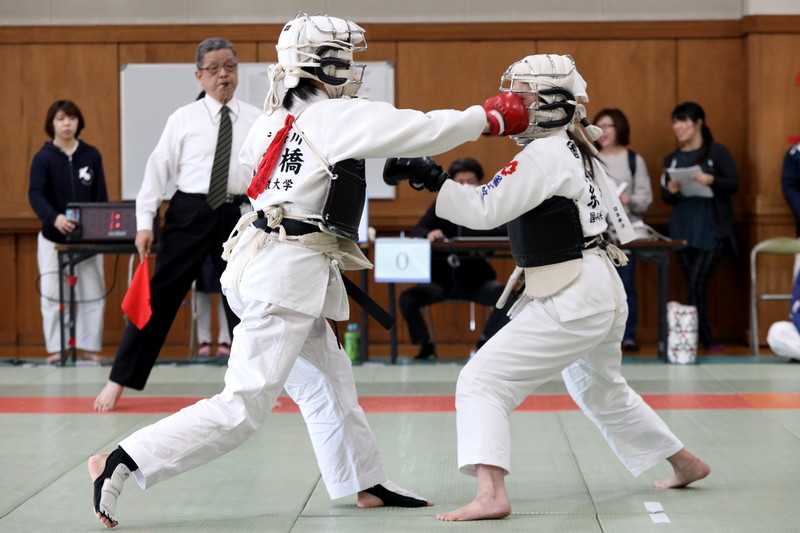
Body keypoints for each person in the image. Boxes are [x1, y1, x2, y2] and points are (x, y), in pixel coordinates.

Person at [88, 13, 530, 528]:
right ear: (321, 64)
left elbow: (261, 178)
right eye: (344, 57)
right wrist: (492, 117)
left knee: (331, 381)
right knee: (243, 406)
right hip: (282, 278)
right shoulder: (335, 116)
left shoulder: (272, 119)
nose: (351, 66)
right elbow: (426, 126)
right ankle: (121, 460)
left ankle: (362, 481)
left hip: (264, 263)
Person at [386, 54, 710, 522]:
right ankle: (685, 461)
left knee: (482, 380)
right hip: (599, 287)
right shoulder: (579, 146)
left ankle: (491, 493)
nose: (512, 104)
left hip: (575, 291)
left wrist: (433, 177)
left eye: (523, 96)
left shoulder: (546, 153)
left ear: (552, 102)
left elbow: (482, 211)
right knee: (602, 390)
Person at [93, 37, 262, 411]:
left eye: (230, 67)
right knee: (160, 296)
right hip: (189, 211)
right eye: (215, 69)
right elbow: (156, 172)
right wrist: (144, 223)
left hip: (236, 214)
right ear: (199, 75)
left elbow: (263, 175)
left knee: (244, 300)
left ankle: (252, 387)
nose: (223, 75)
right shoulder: (183, 119)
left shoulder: (255, 119)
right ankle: (118, 380)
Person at [399, 157, 509, 359]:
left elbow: (505, 233)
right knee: (408, 299)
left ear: (480, 183)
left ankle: (483, 345)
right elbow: (419, 229)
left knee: (508, 298)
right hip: (442, 282)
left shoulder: (489, 209)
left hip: (477, 282)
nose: (466, 186)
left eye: (471, 181)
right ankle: (426, 345)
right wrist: (428, 235)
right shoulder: (442, 206)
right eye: (460, 183)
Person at [28, 100, 108, 364]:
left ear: (78, 122)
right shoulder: (43, 158)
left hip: (88, 242)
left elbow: (100, 197)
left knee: (92, 293)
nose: (66, 124)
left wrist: (99, 231)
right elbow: (36, 195)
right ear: (52, 123)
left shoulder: (91, 155)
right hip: (53, 240)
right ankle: (56, 348)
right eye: (61, 118)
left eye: (71, 118)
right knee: (52, 293)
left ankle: (89, 347)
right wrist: (54, 218)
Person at [661, 101, 739, 354]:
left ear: (698, 123)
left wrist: (712, 180)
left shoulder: (718, 152)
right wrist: (670, 190)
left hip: (712, 228)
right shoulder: (672, 159)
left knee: (697, 284)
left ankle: (701, 338)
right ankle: (701, 339)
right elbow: (666, 198)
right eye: (675, 122)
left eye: (683, 121)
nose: (678, 127)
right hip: (682, 229)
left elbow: (733, 184)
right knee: (692, 284)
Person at [593, 108, 653, 352]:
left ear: (620, 128)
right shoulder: (590, 156)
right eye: (599, 126)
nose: (603, 131)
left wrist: (629, 199)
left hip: (625, 234)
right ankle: (599, 338)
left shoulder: (632, 160)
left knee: (626, 286)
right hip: (596, 233)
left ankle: (627, 335)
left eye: (608, 125)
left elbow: (645, 198)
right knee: (598, 287)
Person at [194, 254, 231, 357]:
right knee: (201, 294)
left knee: (225, 293)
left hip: (222, 251)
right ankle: (204, 341)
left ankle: (225, 341)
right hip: (202, 252)